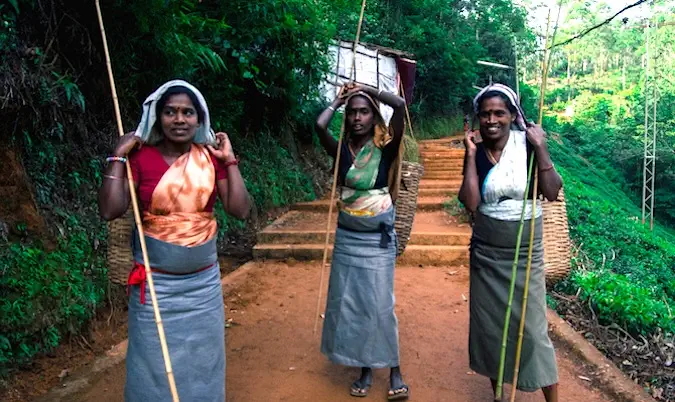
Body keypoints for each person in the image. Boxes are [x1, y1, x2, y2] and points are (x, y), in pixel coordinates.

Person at [98, 79, 251, 401]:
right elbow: (111, 210)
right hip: (155, 289)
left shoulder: (209, 159)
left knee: (203, 362)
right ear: (158, 116)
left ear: (200, 119)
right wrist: (117, 157)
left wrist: (230, 160)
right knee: (151, 364)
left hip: (203, 288)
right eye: (170, 112)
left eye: (187, 112)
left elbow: (239, 209)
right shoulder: (139, 159)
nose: (179, 119)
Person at [459, 83, 562, 402]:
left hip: (525, 251)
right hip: (487, 253)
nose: (492, 119)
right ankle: (500, 396)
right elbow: (472, 202)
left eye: (499, 113)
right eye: (486, 113)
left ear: (512, 115)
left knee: (532, 329)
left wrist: (542, 148)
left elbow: (551, 191)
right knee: (490, 327)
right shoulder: (475, 149)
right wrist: (470, 155)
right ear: (479, 118)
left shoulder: (528, 144)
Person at [315, 82, 409, 400]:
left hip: (378, 241)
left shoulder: (386, 148)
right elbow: (319, 124)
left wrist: (368, 89)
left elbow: (400, 106)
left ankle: (394, 368)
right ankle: (365, 368)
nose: (357, 117)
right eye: (353, 112)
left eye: (364, 111)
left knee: (381, 305)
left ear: (373, 116)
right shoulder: (341, 151)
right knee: (353, 304)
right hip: (347, 239)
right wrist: (337, 100)